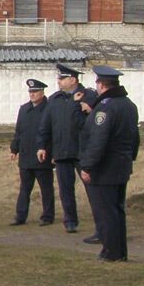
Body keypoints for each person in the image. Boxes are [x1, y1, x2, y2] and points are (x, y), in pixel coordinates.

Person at [79, 65, 140, 262]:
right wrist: (130, 158)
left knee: (105, 212)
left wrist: (87, 166)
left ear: (101, 84)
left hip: (104, 168)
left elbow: (98, 140)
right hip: (121, 165)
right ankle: (120, 251)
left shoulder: (105, 107)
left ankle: (110, 252)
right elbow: (134, 137)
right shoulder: (128, 105)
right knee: (117, 210)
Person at [36, 63, 98, 236]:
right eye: (59, 78)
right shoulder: (55, 99)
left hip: (82, 152)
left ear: (72, 79)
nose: (59, 81)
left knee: (92, 188)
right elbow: (45, 125)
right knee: (65, 189)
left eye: (62, 79)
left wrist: (89, 110)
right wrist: (42, 145)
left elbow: (96, 123)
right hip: (62, 151)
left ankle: (100, 221)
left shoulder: (89, 96)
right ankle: (70, 221)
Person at [9, 78, 54, 226]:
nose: (32, 94)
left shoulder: (50, 108)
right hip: (26, 156)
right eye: (31, 92)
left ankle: (47, 216)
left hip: (42, 157)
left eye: (35, 91)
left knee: (46, 189)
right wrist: (14, 149)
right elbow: (19, 132)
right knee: (24, 189)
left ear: (42, 92)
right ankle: (20, 216)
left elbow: (53, 134)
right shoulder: (24, 109)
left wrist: (52, 154)